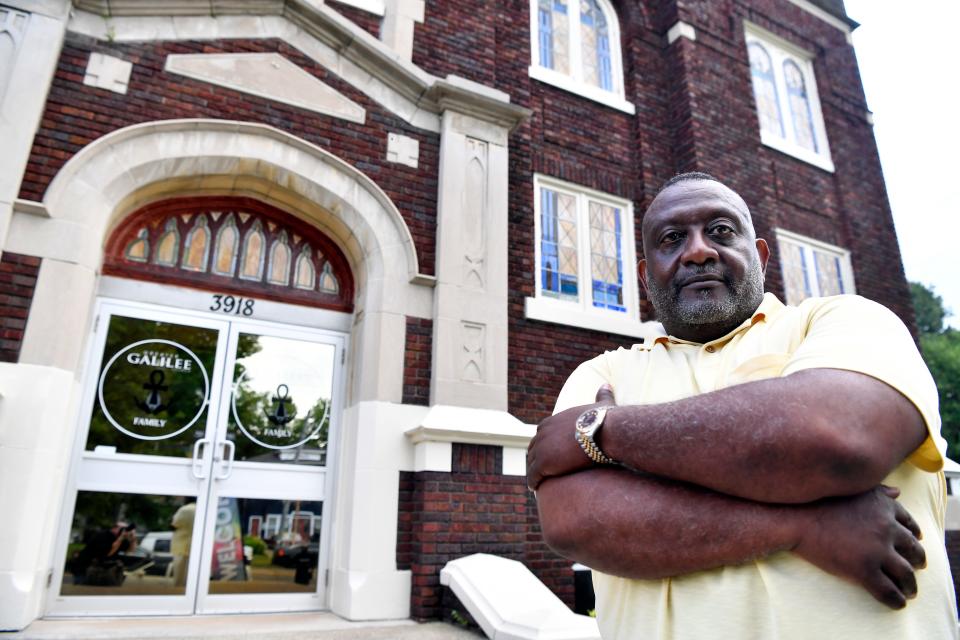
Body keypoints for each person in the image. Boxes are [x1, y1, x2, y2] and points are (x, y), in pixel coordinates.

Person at [526, 173, 959, 639]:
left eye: (720, 231)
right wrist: (803, 523)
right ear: (645, 275)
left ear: (761, 256)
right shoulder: (603, 374)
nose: (698, 251)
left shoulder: (844, 320)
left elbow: (835, 438)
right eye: (672, 239)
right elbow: (577, 521)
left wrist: (603, 432)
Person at [70, 521, 137, 586]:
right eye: (123, 529)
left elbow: (130, 551)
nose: (125, 531)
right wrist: (121, 538)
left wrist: (133, 539)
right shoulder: (102, 536)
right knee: (82, 592)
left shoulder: (120, 538)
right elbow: (107, 554)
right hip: (85, 569)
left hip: (102, 572)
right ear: (115, 528)